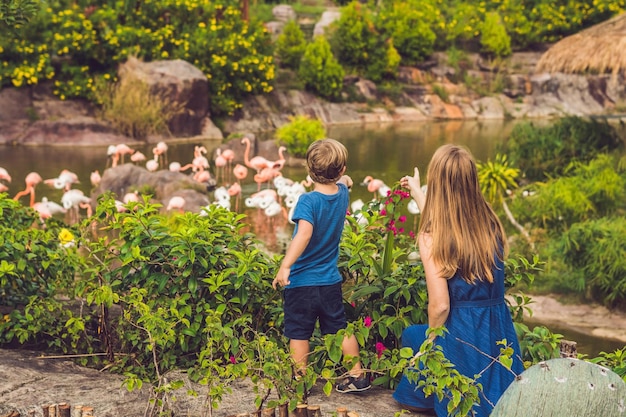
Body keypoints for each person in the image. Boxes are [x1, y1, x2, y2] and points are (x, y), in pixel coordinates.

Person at [392, 144, 524, 416]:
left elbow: (440, 306)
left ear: (437, 183)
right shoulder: (490, 223)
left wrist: (429, 346)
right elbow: (451, 222)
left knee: (413, 345)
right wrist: (417, 194)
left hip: (460, 332)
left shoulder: (431, 238)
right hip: (497, 331)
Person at [272, 138, 371, 394]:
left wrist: (285, 265)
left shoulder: (308, 201)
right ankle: (358, 375)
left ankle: (300, 382)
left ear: (308, 170)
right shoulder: (343, 193)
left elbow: (303, 234)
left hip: (302, 282)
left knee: (299, 332)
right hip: (329, 281)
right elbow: (345, 182)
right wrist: (343, 179)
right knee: (338, 327)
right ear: (341, 170)